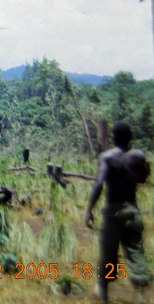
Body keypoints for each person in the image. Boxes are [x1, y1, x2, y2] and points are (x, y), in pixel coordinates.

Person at [85, 122, 151, 303]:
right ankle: (139, 296)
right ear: (131, 137)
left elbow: (99, 184)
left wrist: (89, 210)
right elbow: (143, 179)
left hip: (112, 210)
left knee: (107, 254)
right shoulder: (139, 156)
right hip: (132, 208)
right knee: (136, 252)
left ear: (113, 137)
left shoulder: (106, 157)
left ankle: (103, 292)